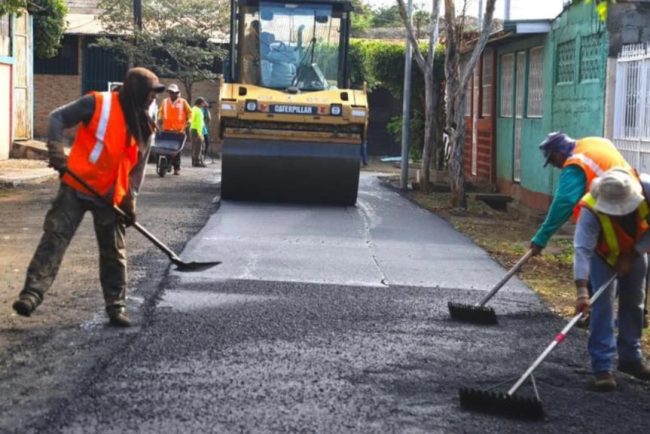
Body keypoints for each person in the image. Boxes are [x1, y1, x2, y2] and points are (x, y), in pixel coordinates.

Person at [11, 67, 166, 327]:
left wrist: (130, 200)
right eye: (151, 92)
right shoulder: (98, 103)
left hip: (110, 196)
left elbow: (137, 169)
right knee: (55, 238)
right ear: (136, 91)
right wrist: (56, 152)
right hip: (76, 186)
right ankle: (31, 294)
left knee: (114, 253)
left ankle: (116, 307)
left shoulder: (144, 124)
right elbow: (57, 118)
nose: (153, 96)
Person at [530, 132, 649, 328]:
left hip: (612, 215)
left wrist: (541, 238)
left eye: (552, 160)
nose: (554, 165)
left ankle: (600, 314)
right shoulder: (596, 142)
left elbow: (564, 202)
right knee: (627, 275)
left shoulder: (575, 165)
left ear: (559, 154)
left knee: (611, 268)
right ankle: (622, 314)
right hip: (627, 217)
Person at [573, 168, 650, 391]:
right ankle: (602, 367)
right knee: (602, 306)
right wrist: (582, 291)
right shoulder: (590, 208)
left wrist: (633, 254)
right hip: (603, 256)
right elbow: (582, 249)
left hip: (636, 251)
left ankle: (630, 358)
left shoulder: (647, 190)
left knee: (635, 303)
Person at [158, 83, 191, 175]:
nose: (171, 94)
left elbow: (189, 112)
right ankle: (167, 164)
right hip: (167, 129)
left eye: (173, 92)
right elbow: (160, 111)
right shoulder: (164, 101)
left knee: (177, 150)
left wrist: (189, 120)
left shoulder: (183, 102)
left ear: (177, 93)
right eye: (170, 92)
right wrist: (159, 118)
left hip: (179, 130)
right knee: (166, 148)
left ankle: (176, 168)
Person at [242, 20, 261, 84]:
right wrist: (253, 58)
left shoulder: (263, 39)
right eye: (254, 28)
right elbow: (244, 54)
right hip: (250, 63)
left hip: (262, 64)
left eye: (257, 28)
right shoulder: (246, 39)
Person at [190, 97, 207, 167]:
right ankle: (196, 162)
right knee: (197, 147)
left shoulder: (197, 109)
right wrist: (199, 133)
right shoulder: (196, 110)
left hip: (197, 130)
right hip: (196, 130)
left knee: (198, 146)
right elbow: (193, 120)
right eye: (203, 103)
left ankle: (197, 161)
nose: (204, 104)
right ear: (200, 103)